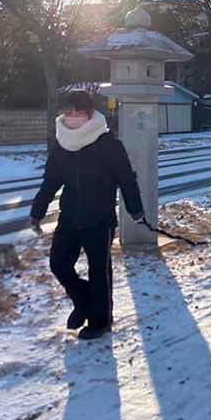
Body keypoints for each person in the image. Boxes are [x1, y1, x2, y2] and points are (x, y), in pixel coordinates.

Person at [30, 91, 145, 340]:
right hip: (70, 217)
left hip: (100, 218)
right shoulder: (61, 144)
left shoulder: (108, 144)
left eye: (78, 113)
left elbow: (126, 178)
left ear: (90, 114)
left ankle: (100, 321)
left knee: (99, 271)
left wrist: (135, 208)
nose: (73, 118)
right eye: (68, 112)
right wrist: (37, 212)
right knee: (58, 264)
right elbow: (50, 182)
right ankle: (83, 301)